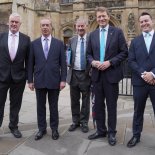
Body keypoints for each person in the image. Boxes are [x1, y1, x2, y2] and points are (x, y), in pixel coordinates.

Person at [87, 7, 128, 146]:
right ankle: (100, 130)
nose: (101, 19)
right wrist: (93, 62)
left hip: (111, 76)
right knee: (98, 106)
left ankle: (111, 132)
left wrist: (110, 62)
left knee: (111, 106)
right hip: (97, 76)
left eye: (103, 16)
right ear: (96, 18)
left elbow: (124, 52)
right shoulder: (92, 35)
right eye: (99, 17)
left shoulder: (117, 32)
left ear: (108, 17)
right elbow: (88, 54)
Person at [28, 17, 67, 140]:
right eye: (43, 25)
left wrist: (63, 79)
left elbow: (63, 64)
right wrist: (30, 80)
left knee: (53, 106)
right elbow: (30, 64)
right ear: (40, 27)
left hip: (54, 80)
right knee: (40, 106)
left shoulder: (59, 43)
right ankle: (41, 129)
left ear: (51, 27)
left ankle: (54, 129)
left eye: (47, 25)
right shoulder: (34, 44)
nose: (45, 27)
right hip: (39, 80)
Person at [127, 12, 155, 148]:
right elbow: (131, 61)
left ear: (152, 21)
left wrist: (153, 74)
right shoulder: (135, 41)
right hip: (139, 82)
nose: (144, 23)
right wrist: (144, 74)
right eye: (142, 22)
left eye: (146, 21)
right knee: (138, 111)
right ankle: (136, 135)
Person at [0, 13, 30, 138]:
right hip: (1, 77)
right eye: (12, 21)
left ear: (20, 24)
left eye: (16, 22)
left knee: (15, 104)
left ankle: (14, 126)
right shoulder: (1, 37)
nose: (13, 24)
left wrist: (29, 79)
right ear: (8, 22)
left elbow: (29, 61)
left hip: (18, 78)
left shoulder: (26, 39)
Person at [67, 18, 91, 133]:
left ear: (86, 26)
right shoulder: (72, 40)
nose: (80, 28)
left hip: (86, 74)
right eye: (78, 26)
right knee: (74, 100)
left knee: (85, 100)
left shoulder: (91, 40)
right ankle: (75, 121)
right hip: (74, 74)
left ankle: (84, 122)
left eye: (82, 26)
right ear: (75, 27)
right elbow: (69, 54)